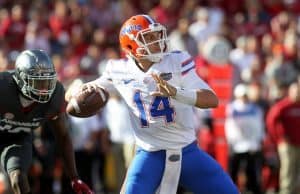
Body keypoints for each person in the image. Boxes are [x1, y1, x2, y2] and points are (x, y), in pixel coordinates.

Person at [70, 15, 239, 194]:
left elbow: (211, 99)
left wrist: (175, 92)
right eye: (149, 38)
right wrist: (73, 95)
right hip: (149, 155)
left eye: (157, 35)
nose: (157, 40)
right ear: (131, 46)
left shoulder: (176, 61)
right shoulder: (119, 70)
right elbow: (77, 93)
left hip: (187, 151)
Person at [0, 49, 93, 194]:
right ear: (20, 78)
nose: (43, 88)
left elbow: (63, 136)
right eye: (37, 81)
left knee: (18, 178)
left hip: (17, 138)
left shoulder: (54, 97)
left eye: (46, 81)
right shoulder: (3, 86)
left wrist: (74, 177)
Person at [225, 83, 265, 194]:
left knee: (252, 173)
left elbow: (259, 126)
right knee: (233, 172)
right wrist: (231, 142)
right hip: (237, 146)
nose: (243, 98)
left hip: (251, 146)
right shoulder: (231, 108)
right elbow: (229, 127)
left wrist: (257, 142)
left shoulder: (255, 109)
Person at [266, 80, 300, 194]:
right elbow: (271, 122)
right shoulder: (283, 106)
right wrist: (279, 138)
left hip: (298, 143)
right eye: (296, 91)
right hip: (288, 145)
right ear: (290, 91)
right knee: (288, 170)